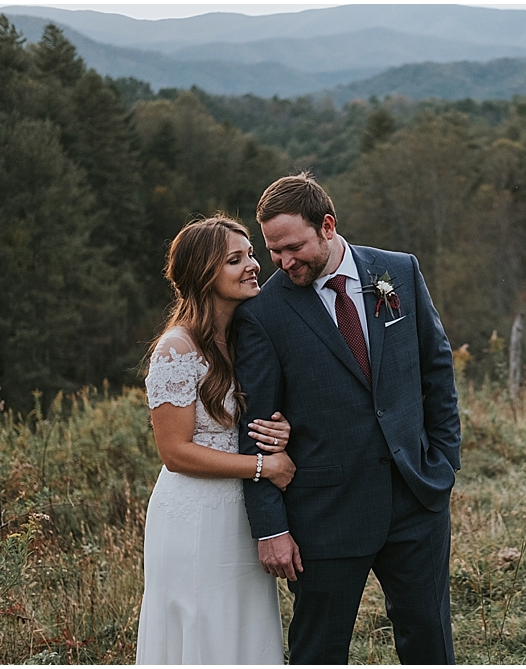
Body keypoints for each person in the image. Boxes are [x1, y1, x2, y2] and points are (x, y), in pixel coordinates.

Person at [234, 172, 462, 664]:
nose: (283, 261)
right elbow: (255, 428)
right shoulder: (263, 314)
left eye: (293, 247)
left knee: (430, 642)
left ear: (328, 226)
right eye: (273, 251)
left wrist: (443, 462)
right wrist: (270, 527)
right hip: (324, 514)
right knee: (319, 650)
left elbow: (436, 368)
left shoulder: (398, 271)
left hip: (416, 499)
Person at [137, 216, 296, 664]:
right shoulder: (177, 347)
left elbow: (241, 421)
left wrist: (279, 432)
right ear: (204, 272)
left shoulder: (241, 337)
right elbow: (174, 452)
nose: (253, 266)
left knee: (242, 628)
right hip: (194, 518)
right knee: (204, 629)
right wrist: (265, 467)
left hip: (240, 515)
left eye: (250, 255)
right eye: (235, 259)